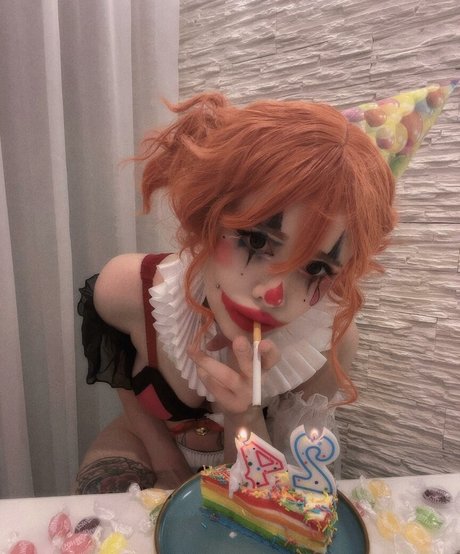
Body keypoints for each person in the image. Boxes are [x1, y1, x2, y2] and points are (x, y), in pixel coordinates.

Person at [76, 91, 397, 493]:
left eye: (316, 268)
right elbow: (121, 366)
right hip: (143, 443)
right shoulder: (129, 288)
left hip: (254, 468)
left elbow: (263, 487)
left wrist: (243, 413)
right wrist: (165, 460)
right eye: (257, 242)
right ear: (210, 214)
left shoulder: (329, 344)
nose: (273, 294)